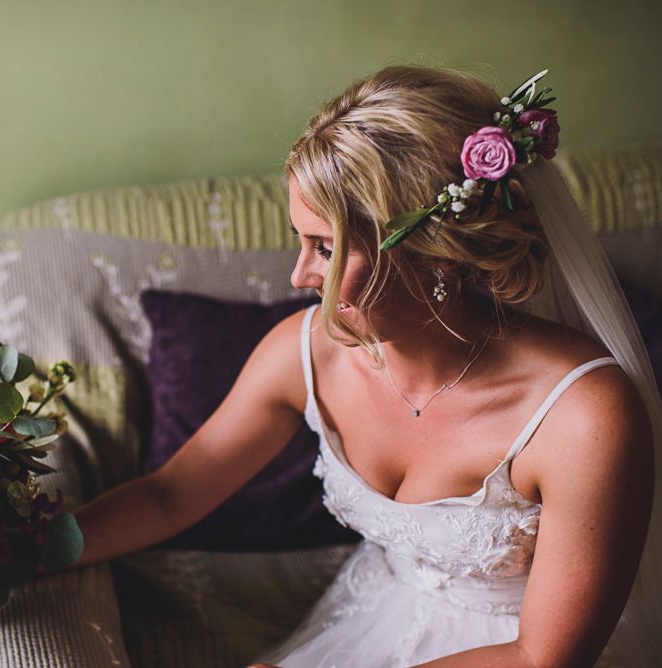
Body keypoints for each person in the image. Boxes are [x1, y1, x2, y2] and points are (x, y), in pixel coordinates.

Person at [73, 66, 662, 667]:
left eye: (325, 249)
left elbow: (542, 658)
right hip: (374, 620)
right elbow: (171, 496)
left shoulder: (584, 416)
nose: (300, 277)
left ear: (439, 255)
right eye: (300, 242)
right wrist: (30, 546)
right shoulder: (303, 353)